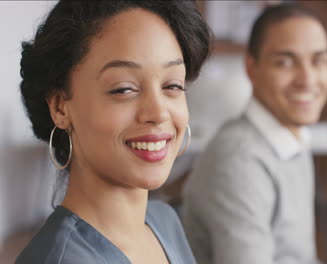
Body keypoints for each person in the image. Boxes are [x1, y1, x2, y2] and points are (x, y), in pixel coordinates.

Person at [16, 0, 211, 263]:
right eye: (123, 89)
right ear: (61, 107)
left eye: (172, 85)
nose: (158, 113)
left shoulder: (164, 222)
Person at [182, 4, 327, 264]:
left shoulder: (293, 140)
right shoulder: (239, 161)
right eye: (285, 62)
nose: (307, 79)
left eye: (318, 61)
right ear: (252, 68)